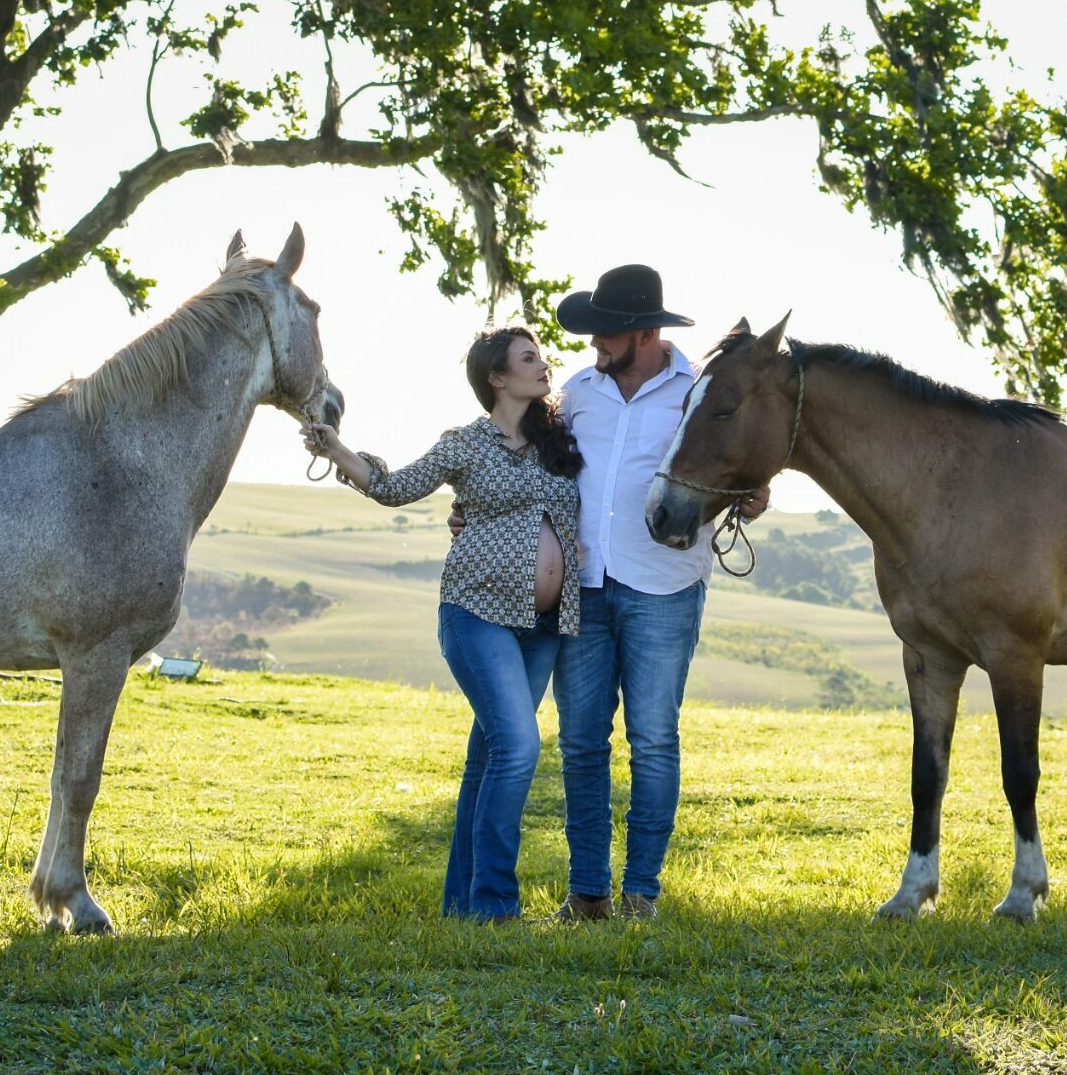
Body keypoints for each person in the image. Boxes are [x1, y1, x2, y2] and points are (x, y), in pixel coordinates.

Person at [300, 327, 583, 922]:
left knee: (490, 757)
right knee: (519, 746)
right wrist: (336, 450)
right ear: (497, 379)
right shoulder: (466, 444)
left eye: (541, 357)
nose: (543, 365)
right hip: (476, 613)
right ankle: (496, 907)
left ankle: (464, 905)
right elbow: (395, 487)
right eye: (528, 359)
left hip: (543, 622)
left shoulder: (558, 440)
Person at [547, 264, 767, 921]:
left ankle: (641, 893)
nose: (594, 347)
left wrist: (752, 500)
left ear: (640, 332)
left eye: (604, 336)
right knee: (581, 741)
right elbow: (539, 467)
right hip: (583, 587)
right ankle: (587, 893)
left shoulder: (695, 392)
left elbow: (738, 475)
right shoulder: (579, 392)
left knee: (653, 738)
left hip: (664, 586)